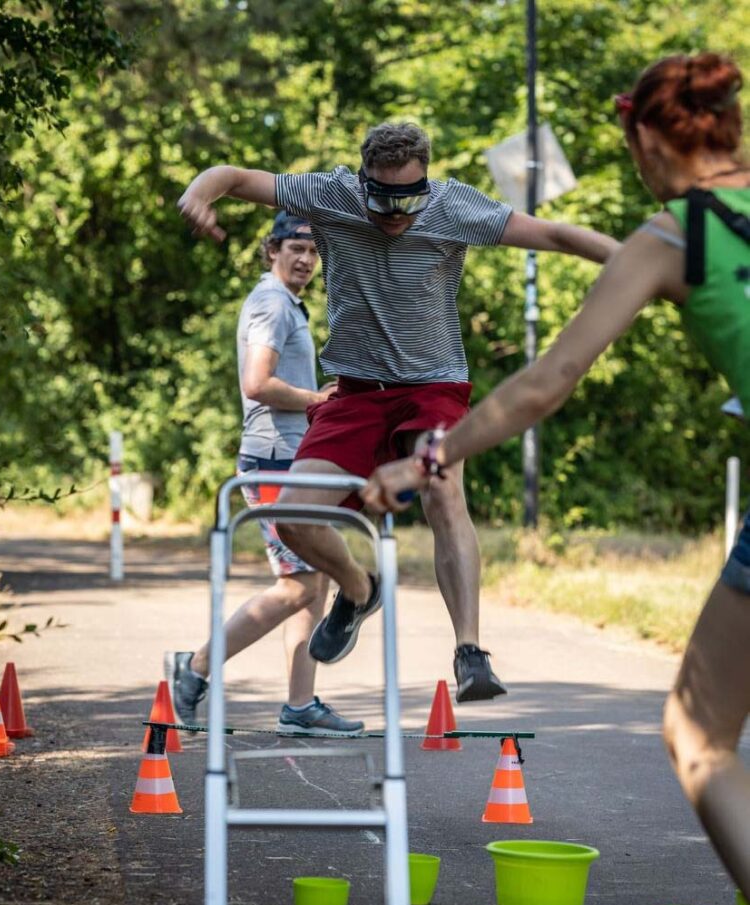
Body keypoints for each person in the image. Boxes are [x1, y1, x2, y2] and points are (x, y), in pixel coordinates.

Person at [362, 54, 750, 899]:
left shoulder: (675, 236)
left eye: (633, 150)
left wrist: (428, 458)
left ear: (651, 140)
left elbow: (545, 384)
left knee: (701, 739)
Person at [177, 122, 620, 705]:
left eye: (408, 201)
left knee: (442, 489)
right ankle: (360, 590)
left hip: (433, 389)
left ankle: (470, 652)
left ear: (426, 183)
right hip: (356, 395)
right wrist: (200, 192)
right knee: (292, 517)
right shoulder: (330, 195)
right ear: (363, 182)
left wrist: (635, 262)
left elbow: (555, 234)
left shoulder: (454, 206)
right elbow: (235, 177)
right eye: (381, 200)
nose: (394, 215)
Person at [171, 211, 365, 737]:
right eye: (295, 249)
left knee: (312, 583)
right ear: (272, 250)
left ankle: (300, 705)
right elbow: (257, 382)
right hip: (272, 458)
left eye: (313, 252)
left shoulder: (287, 304)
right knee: (299, 585)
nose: (305, 259)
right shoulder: (271, 304)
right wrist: (317, 400)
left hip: (292, 455)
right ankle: (195, 669)